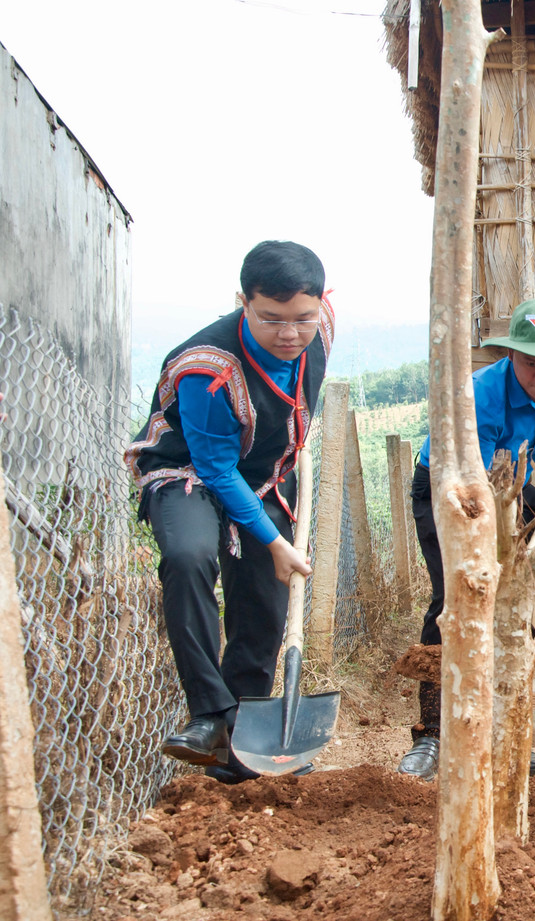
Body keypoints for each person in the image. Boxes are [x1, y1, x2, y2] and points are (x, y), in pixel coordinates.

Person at [126, 240, 331, 784]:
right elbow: (216, 470)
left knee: (263, 604)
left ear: (320, 304)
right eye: (271, 319)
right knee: (189, 556)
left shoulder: (321, 327)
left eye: (302, 319)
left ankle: (241, 738)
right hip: (188, 473)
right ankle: (209, 715)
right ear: (242, 301)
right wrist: (277, 541)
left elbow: (302, 385)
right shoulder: (206, 369)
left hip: (263, 479)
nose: (289, 334)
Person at [397, 299, 535, 782]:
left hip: (508, 484)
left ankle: (509, 731)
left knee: (515, 603)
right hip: (449, 486)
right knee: (459, 597)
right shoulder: (481, 397)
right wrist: (497, 555)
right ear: (510, 356)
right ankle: (432, 735)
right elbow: (474, 490)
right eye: (530, 362)